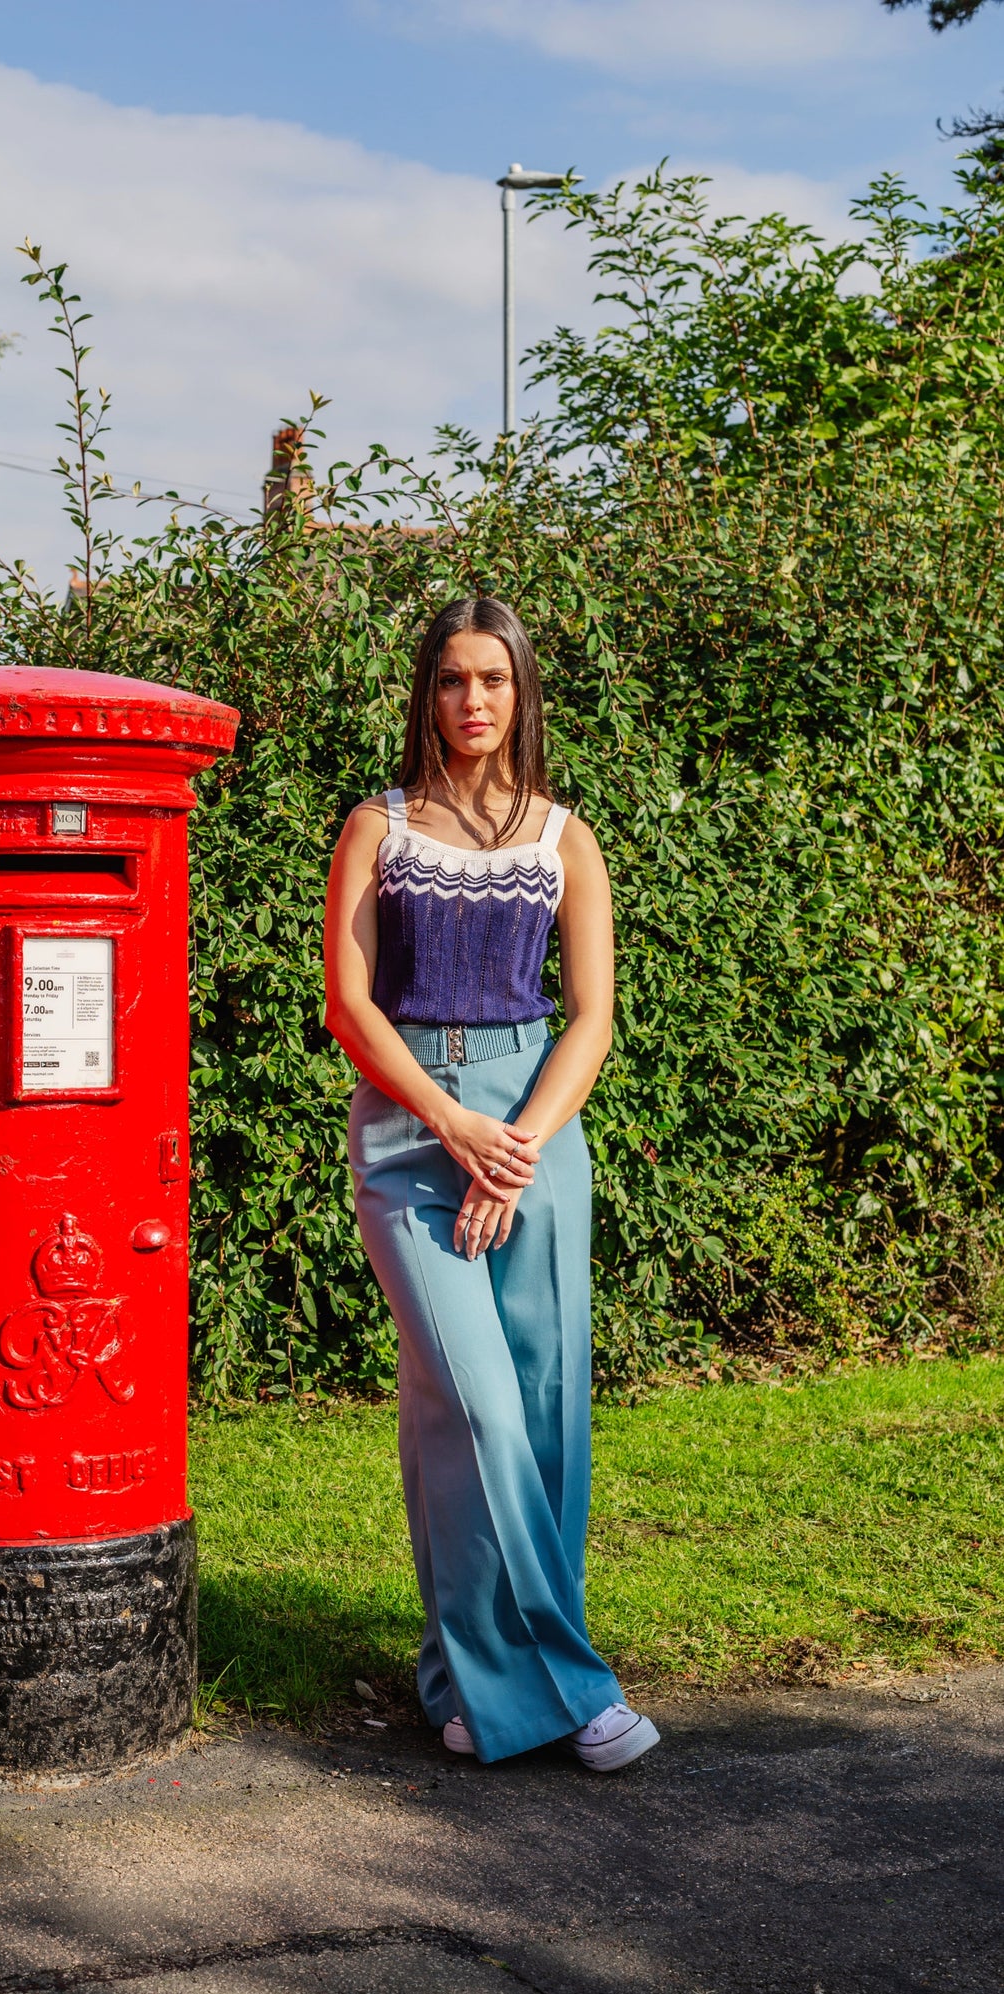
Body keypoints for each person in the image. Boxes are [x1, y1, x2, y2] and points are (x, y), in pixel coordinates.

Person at [323, 595, 659, 1772]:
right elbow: (350, 1007)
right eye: (452, 680)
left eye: (493, 680)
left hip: (535, 1126)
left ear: (521, 692)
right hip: (417, 1130)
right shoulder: (376, 825)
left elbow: (591, 1016)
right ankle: (570, 1683)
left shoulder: (565, 838)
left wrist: (513, 1141)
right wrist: (453, 1123)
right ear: (425, 692)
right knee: (471, 1405)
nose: (473, 701)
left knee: (545, 1410)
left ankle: (456, 1673)